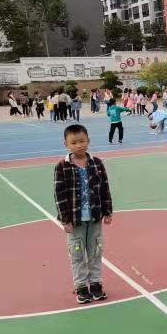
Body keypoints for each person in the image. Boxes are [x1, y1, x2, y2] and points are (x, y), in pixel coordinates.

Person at [53, 124, 113, 304]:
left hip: (95, 217)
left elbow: (104, 187)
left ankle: (95, 284)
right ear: (66, 144)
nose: (78, 145)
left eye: (82, 141)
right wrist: (65, 219)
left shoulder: (97, 163)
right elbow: (59, 195)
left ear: (88, 141)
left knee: (95, 251)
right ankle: (80, 286)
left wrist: (107, 210)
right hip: (75, 220)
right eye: (73, 142)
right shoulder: (62, 166)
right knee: (77, 254)